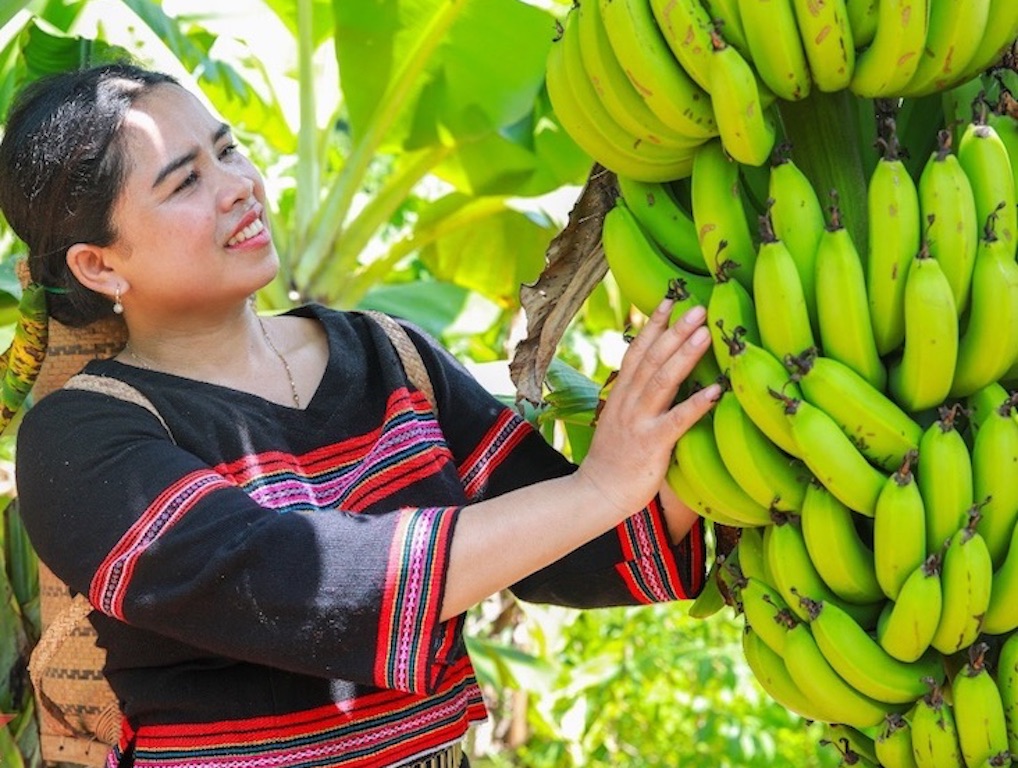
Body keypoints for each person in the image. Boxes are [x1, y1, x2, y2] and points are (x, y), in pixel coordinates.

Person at [0, 62, 720, 768]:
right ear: (99, 266)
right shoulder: (80, 439)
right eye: (186, 180)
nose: (238, 188)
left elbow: (574, 542)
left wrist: (722, 421)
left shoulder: (388, 355)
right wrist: (598, 488)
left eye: (228, 150)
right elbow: (302, 586)